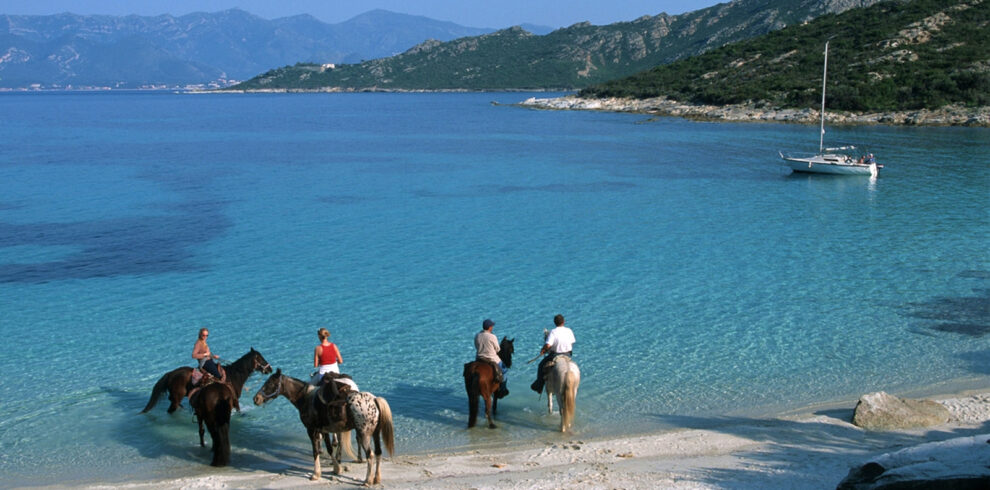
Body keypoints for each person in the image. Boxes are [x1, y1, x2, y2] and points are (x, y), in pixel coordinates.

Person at [530, 314, 576, 394]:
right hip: (568, 354)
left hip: (556, 355)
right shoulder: (569, 330)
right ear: (563, 322)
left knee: (540, 365)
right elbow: (572, 342)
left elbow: (548, 345)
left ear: (555, 322)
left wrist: (543, 349)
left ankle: (539, 386)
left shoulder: (553, 332)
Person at [475, 318, 506, 388]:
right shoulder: (492, 336)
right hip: (491, 358)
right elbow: (498, 349)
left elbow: (476, 346)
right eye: (492, 326)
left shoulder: (477, 335)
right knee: (504, 370)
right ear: (489, 327)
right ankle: (503, 388)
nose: (492, 327)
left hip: (479, 358)